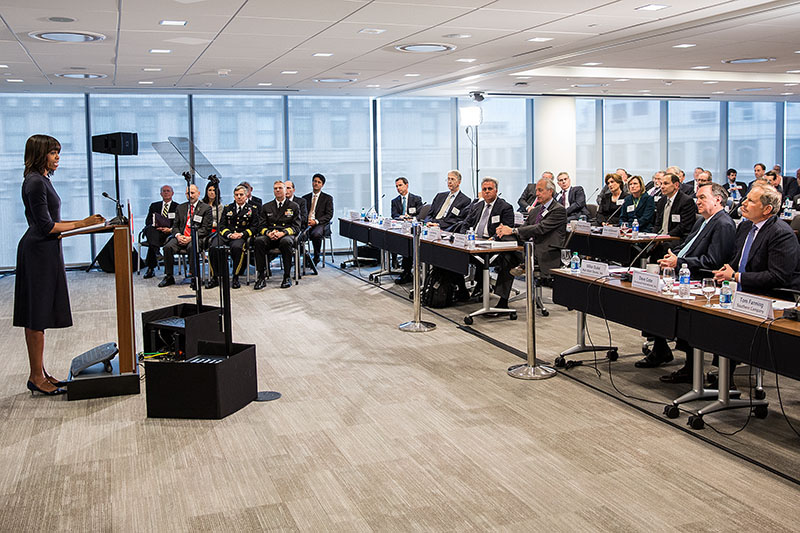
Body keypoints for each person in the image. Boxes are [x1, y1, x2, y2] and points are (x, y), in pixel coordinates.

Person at [14, 134, 104, 395]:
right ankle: (35, 376)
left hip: (46, 251)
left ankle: (40, 373)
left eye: (58, 153)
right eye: (53, 152)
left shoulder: (41, 180)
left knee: (40, 314)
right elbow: (46, 226)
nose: (57, 158)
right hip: (37, 252)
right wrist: (83, 223)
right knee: (36, 316)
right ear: (40, 153)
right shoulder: (34, 182)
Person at [649, 183, 737, 378]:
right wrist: (673, 257)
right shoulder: (702, 221)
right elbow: (688, 246)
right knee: (651, 298)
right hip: (686, 273)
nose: (697, 201)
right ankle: (660, 348)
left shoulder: (723, 224)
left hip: (704, 281)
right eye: (697, 197)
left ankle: (691, 367)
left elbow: (714, 261)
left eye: (702, 198)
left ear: (718, 200)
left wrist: (678, 261)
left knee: (676, 311)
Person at [713, 183, 800, 299]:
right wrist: (724, 272)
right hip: (738, 293)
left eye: (751, 201)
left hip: (767, 297)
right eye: (746, 199)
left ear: (767, 209)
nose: (743, 203)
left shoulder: (781, 233)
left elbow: (776, 276)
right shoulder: (745, 226)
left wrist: (736, 276)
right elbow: (737, 261)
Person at [495, 177, 566, 308]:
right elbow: (525, 228)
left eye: (540, 190)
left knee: (508, 255)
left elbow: (540, 228)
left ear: (550, 192)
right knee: (506, 252)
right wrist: (504, 232)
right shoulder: (536, 210)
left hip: (545, 252)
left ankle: (503, 300)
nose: (536, 194)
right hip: (529, 248)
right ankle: (502, 301)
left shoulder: (558, 210)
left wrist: (513, 230)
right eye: (536, 190)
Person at [159, 183, 212, 289]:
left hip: (196, 238)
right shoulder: (180, 207)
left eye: (193, 193)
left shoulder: (205, 208)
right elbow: (175, 226)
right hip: (181, 237)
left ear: (198, 194)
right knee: (167, 247)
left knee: (192, 246)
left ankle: (194, 276)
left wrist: (191, 237)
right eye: (188, 193)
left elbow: (206, 229)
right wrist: (178, 236)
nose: (190, 196)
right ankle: (169, 276)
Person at [254, 181, 301, 289]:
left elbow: (297, 227)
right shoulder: (266, 206)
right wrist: (268, 233)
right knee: (258, 241)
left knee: (286, 242)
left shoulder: (294, 206)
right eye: (275, 188)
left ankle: (287, 276)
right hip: (271, 235)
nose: (278, 190)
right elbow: (261, 226)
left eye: (280, 188)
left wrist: (283, 233)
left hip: (285, 235)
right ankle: (261, 276)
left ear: (286, 190)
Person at [215, 184, 259, 289]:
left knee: (237, 248)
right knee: (213, 246)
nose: (239, 197)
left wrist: (241, 234)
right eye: (236, 195)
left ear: (246, 196)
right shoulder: (228, 208)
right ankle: (215, 276)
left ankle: (235, 276)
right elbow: (222, 225)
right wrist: (229, 234)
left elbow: (255, 227)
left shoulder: (252, 209)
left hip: (241, 236)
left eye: (241, 195)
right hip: (228, 235)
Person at [650, 172, 697, 259]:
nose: (662, 187)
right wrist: (653, 236)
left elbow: (684, 226)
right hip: (661, 237)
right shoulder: (662, 201)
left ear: (676, 185)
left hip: (678, 238)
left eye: (666, 184)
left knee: (661, 248)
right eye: (661, 184)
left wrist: (665, 237)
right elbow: (658, 223)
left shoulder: (686, 201)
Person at [391, 176, 424, 284]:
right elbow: (394, 215)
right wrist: (401, 217)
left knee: (409, 244)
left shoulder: (416, 199)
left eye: (400, 185)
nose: (398, 188)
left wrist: (410, 217)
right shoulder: (395, 201)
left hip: (413, 228)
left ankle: (407, 270)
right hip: (400, 227)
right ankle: (401, 266)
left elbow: (420, 214)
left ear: (407, 185)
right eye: (396, 186)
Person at [142, 184, 178, 279]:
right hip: (155, 231)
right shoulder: (154, 206)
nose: (166, 193)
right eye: (164, 191)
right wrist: (156, 226)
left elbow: (178, 223)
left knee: (152, 243)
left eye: (168, 191)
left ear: (172, 193)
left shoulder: (177, 207)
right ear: (161, 194)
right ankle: (156, 252)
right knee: (149, 229)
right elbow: (148, 221)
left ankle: (151, 267)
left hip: (169, 234)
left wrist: (168, 229)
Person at [302, 173, 334, 265]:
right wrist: (306, 221)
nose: (316, 183)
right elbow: (301, 213)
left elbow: (329, 215)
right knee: (299, 235)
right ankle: (305, 256)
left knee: (316, 234)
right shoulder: (305, 198)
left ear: (322, 185)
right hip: (306, 223)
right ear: (312, 183)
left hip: (319, 224)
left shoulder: (327, 198)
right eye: (315, 181)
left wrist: (315, 221)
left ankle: (316, 257)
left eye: (319, 182)